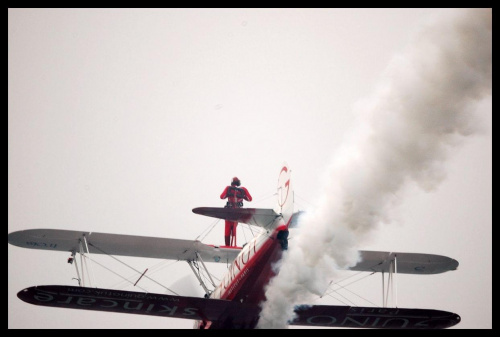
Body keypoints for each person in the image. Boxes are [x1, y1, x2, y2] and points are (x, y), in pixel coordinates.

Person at [220, 177, 252, 246]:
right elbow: (250, 199)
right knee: (234, 228)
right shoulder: (243, 189)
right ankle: (233, 243)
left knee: (227, 229)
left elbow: (222, 197)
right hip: (237, 212)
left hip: (229, 211)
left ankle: (227, 245)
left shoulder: (228, 188)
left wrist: (229, 194)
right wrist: (243, 196)